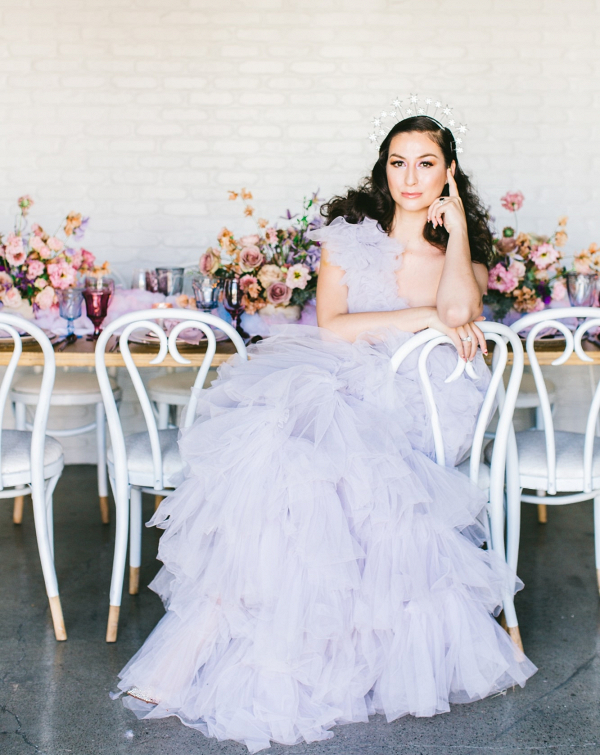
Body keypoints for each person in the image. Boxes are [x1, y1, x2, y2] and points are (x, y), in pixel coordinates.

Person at [114, 113, 536, 752]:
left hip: (416, 408)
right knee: (277, 454)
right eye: (399, 162)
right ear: (383, 168)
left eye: (427, 162)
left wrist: (455, 236)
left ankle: (294, 655)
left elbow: (461, 312)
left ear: (449, 172)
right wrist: (419, 316)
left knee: (321, 457)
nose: (411, 176)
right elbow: (333, 325)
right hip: (342, 380)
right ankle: (210, 648)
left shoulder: (463, 256)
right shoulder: (349, 240)